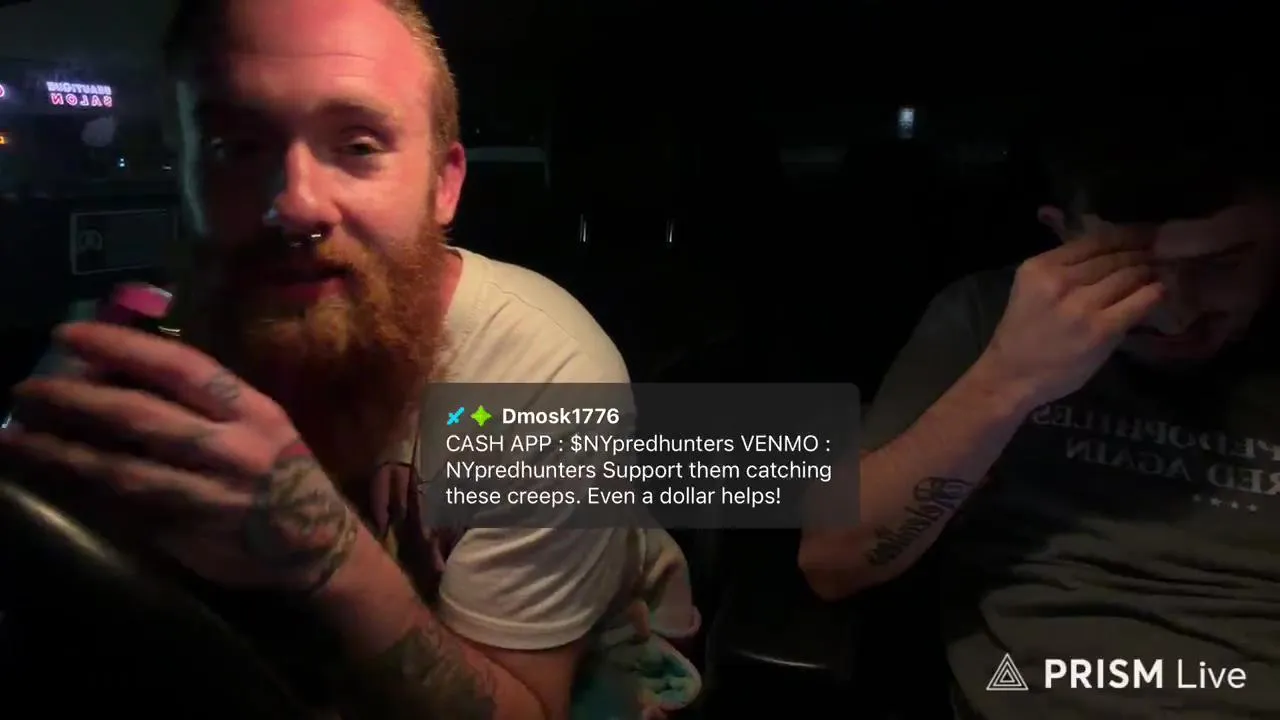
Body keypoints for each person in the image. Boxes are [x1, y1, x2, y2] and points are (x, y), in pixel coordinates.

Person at [0, 0, 693, 718]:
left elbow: (525, 710)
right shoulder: (178, 334)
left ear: (444, 183)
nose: (295, 205)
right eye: (236, 148)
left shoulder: (540, 381)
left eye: (358, 146)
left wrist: (322, 544)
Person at [798, 95, 1280, 718]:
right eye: (1129, 271)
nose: (1176, 314)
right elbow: (834, 562)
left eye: (1223, 265)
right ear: (1060, 235)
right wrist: (1010, 379)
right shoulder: (987, 318)